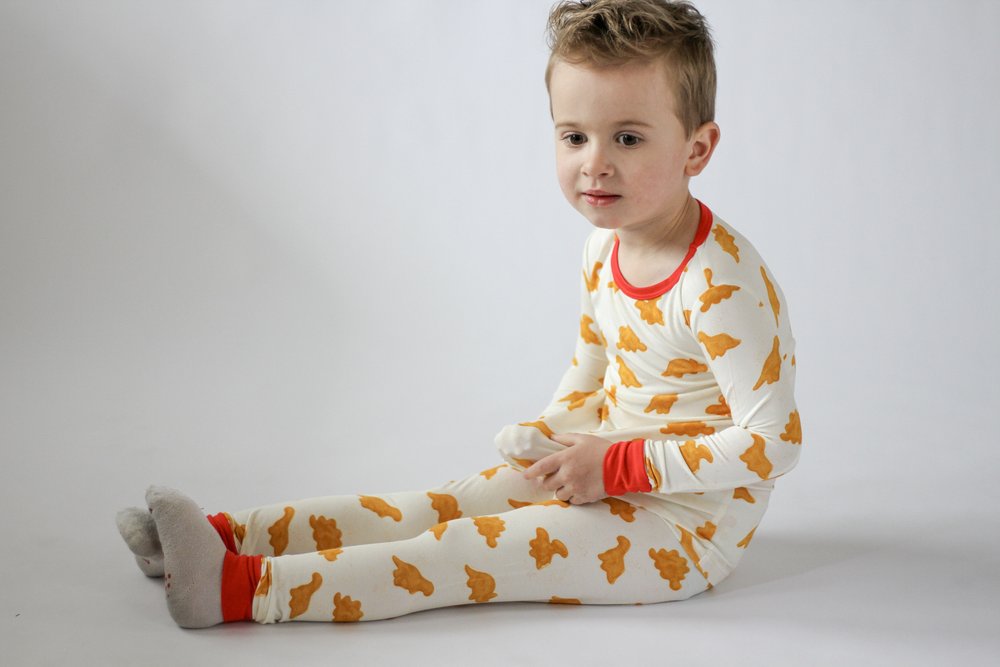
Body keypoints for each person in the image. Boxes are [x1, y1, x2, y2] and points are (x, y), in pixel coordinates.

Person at [116, 0, 803, 627]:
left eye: (627, 138)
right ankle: (221, 536)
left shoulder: (719, 284)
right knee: (430, 507)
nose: (594, 164)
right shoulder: (605, 245)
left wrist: (618, 467)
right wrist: (552, 432)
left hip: (681, 529)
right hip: (600, 466)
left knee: (460, 551)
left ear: (696, 149)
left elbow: (774, 443)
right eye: (574, 137)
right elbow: (594, 363)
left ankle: (235, 589)